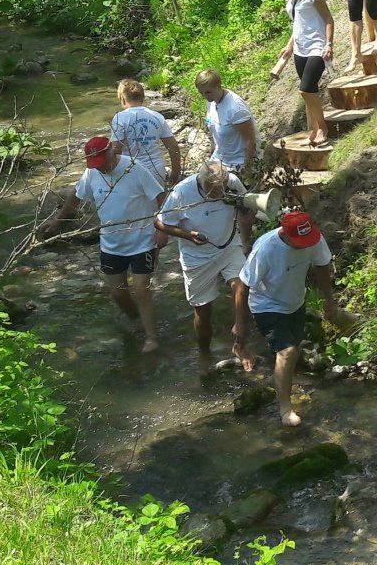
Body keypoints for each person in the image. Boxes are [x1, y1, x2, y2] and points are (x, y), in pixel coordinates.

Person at [38, 136, 169, 352]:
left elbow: (161, 196)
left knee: (142, 290)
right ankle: (136, 319)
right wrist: (58, 220)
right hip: (111, 242)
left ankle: (152, 337)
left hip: (142, 240)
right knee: (117, 291)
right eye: (95, 165)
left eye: (102, 163)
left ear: (111, 152)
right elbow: (76, 196)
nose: (100, 168)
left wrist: (161, 228)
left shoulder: (134, 169)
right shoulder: (92, 173)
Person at [235, 209, 335, 426]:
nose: (307, 244)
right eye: (301, 241)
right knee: (287, 352)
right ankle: (285, 409)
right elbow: (243, 286)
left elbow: (321, 266)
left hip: (295, 302)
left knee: (294, 350)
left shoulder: (313, 238)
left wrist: (329, 300)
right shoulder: (266, 248)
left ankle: (244, 349)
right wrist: (241, 323)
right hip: (266, 304)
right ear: (285, 234)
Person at [155, 161, 256, 370]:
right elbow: (160, 222)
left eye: (221, 188)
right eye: (213, 189)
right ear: (202, 183)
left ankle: (240, 344)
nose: (219, 193)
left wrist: (247, 223)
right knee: (203, 310)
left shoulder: (232, 182)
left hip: (229, 246)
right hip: (197, 256)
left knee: (242, 286)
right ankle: (204, 352)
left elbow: (247, 211)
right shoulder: (182, 192)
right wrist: (188, 235)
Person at [269, 0, 335, 146]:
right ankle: (314, 129)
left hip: (317, 46)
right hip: (300, 49)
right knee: (310, 91)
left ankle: (322, 127)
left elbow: (329, 19)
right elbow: (298, 24)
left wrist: (329, 44)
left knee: (306, 89)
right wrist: (289, 45)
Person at [109, 78, 181, 188]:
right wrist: (176, 171)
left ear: (122, 99)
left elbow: (116, 150)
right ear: (143, 97)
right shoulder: (157, 116)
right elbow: (173, 147)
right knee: (157, 203)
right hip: (156, 170)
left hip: (131, 171)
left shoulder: (120, 118)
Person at [194, 68, 256, 175]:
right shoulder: (212, 101)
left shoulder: (235, 108)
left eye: (208, 92)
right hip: (219, 158)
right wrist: (212, 154)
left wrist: (248, 170)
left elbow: (250, 141)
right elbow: (214, 131)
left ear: (218, 86)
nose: (204, 96)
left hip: (238, 163)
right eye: (201, 93)